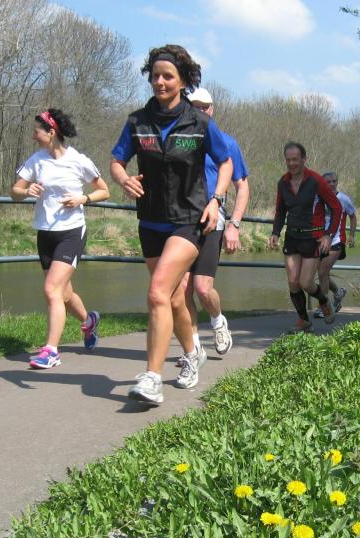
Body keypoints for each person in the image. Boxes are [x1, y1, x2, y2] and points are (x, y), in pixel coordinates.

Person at [110, 45, 232, 405]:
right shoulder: (137, 122)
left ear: (182, 81)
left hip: (189, 220)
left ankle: (152, 378)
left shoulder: (199, 123)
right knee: (175, 297)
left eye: (168, 76)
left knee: (157, 292)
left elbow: (225, 163)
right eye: (155, 76)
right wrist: (123, 179)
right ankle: (194, 353)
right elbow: (117, 160)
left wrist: (216, 200)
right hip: (151, 222)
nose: (160, 82)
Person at [10, 108, 109, 369]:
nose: (33, 135)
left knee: (51, 289)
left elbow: (104, 190)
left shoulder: (78, 160)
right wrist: (26, 190)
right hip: (45, 233)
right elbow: (14, 191)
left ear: (51, 132)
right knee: (63, 293)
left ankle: (51, 351)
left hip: (71, 232)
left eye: (37, 131)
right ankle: (89, 321)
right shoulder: (36, 160)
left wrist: (82, 198)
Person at [177, 87, 250, 359]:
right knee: (182, 288)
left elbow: (242, 187)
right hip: (182, 220)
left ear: (212, 109)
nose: (199, 111)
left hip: (212, 220)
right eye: (194, 106)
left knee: (202, 288)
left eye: (204, 107)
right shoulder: (181, 141)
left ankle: (218, 322)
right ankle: (194, 348)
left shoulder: (227, 143)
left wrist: (235, 224)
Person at [268, 142, 342, 333]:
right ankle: (304, 321)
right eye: (288, 160)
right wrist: (275, 232)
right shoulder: (283, 182)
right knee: (293, 282)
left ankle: (324, 301)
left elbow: (336, 208)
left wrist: (328, 235)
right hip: (292, 237)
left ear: (304, 159)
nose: (291, 163)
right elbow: (280, 211)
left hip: (313, 238)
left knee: (306, 283)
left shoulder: (316, 181)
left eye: (295, 159)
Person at [314, 171, 356, 318]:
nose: (331, 184)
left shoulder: (343, 199)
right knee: (322, 273)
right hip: (319, 240)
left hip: (336, 240)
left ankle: (324, 307)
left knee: (322, 272)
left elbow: (352, 216)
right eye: (328, 182)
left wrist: (352, 235)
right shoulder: (318, 197)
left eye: (334, 181)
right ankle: (338, 293)